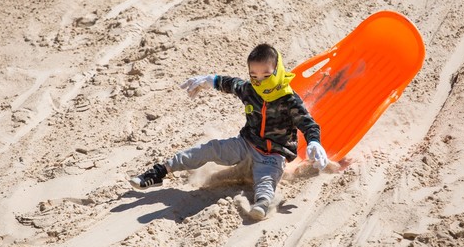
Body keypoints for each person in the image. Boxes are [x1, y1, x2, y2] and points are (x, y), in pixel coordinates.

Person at [129, 43, 328, 220]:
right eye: (254, 76)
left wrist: (314, 141)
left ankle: (262, 205)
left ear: (278, 71)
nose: (260, 82)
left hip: (273, 154)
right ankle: (159, 171)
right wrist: (209, 80)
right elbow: (230, 83)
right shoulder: (250, 90)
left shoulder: (289, 100)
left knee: (266, 180)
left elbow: (309, 124)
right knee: (209, 149)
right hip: (245, 144)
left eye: (266, 76)